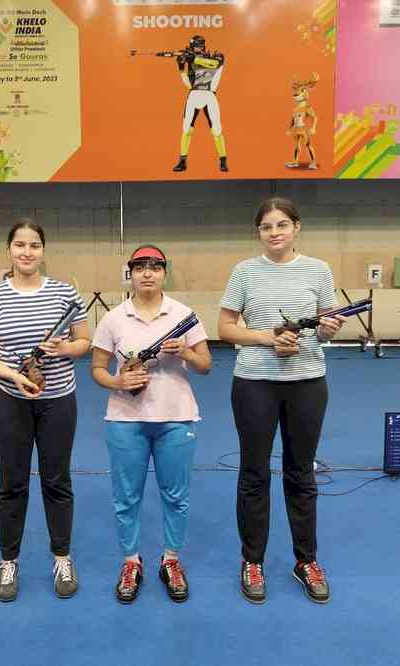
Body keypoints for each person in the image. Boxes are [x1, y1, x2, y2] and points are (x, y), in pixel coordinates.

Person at [218, 198, 345, 605]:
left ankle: (305, 560)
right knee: (254, 473)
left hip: (307, 382)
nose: (274, 232)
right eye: (266, 227)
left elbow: (326, 333)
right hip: (255, 382)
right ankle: (251, 560)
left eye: (282, 224)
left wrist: (326, 329)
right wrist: (267, 337)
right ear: (258, 233)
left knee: (301, 472)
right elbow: (225, 328)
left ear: (296, 227)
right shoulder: (244, 272)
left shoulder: (319, 270)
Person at [0, 218, 90, 602]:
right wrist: (13, 375)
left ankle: (62, 557)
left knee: (57, 481)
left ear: (43, 250)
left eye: (34, 245)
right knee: (12, 484)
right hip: (10, 402)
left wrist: (65, 349)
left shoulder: (65, 293)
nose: (27, 252)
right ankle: (8, 561)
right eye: (20, 244)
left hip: (58, 401)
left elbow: (85, 341)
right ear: (9, 249)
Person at [92, 245, 211, 604]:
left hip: (176, 417)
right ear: (130, 272)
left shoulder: (183, 314)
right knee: (126, 497)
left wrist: (186, 353)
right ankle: (131, 561)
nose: (147, 273)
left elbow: (205, 364)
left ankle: (171, 560)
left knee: (176, 495)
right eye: (140, 266)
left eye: (155, 266)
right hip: (125, 419)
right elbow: (97, 369)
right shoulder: (113, 318)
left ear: (164, 272)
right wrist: (118, 382)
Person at [172, 34, 228, 173]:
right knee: (186, 129)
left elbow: (214, 64)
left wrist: (194, 59)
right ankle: (182, 160)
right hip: (194, 95)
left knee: (217, 130)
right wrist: (181, 68)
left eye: (200, 46)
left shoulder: (217, 56)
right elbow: (189, 85)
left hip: (210, 95)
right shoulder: (191, 62)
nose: (198, 48)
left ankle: (223, 160)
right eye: (196, 46)